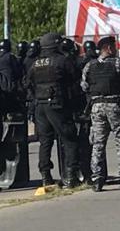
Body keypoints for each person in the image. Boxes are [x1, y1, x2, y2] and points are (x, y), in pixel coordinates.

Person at [81, 36, 120, 191]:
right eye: (113, 47)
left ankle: (97, 180)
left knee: (98, 144)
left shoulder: (90, 65)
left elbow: (84, 85)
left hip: (97, 106)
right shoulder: (118, 63)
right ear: (108, 48)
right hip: (115, 105)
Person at [25, 33, 81, 188]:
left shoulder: (35, 63)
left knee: (45, 140)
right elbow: (75, 77)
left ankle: (45, 176)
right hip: (57, 104)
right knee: (69, 138)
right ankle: (70, 176)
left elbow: (27, 83)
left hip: (39, 105)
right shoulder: (61, 60)